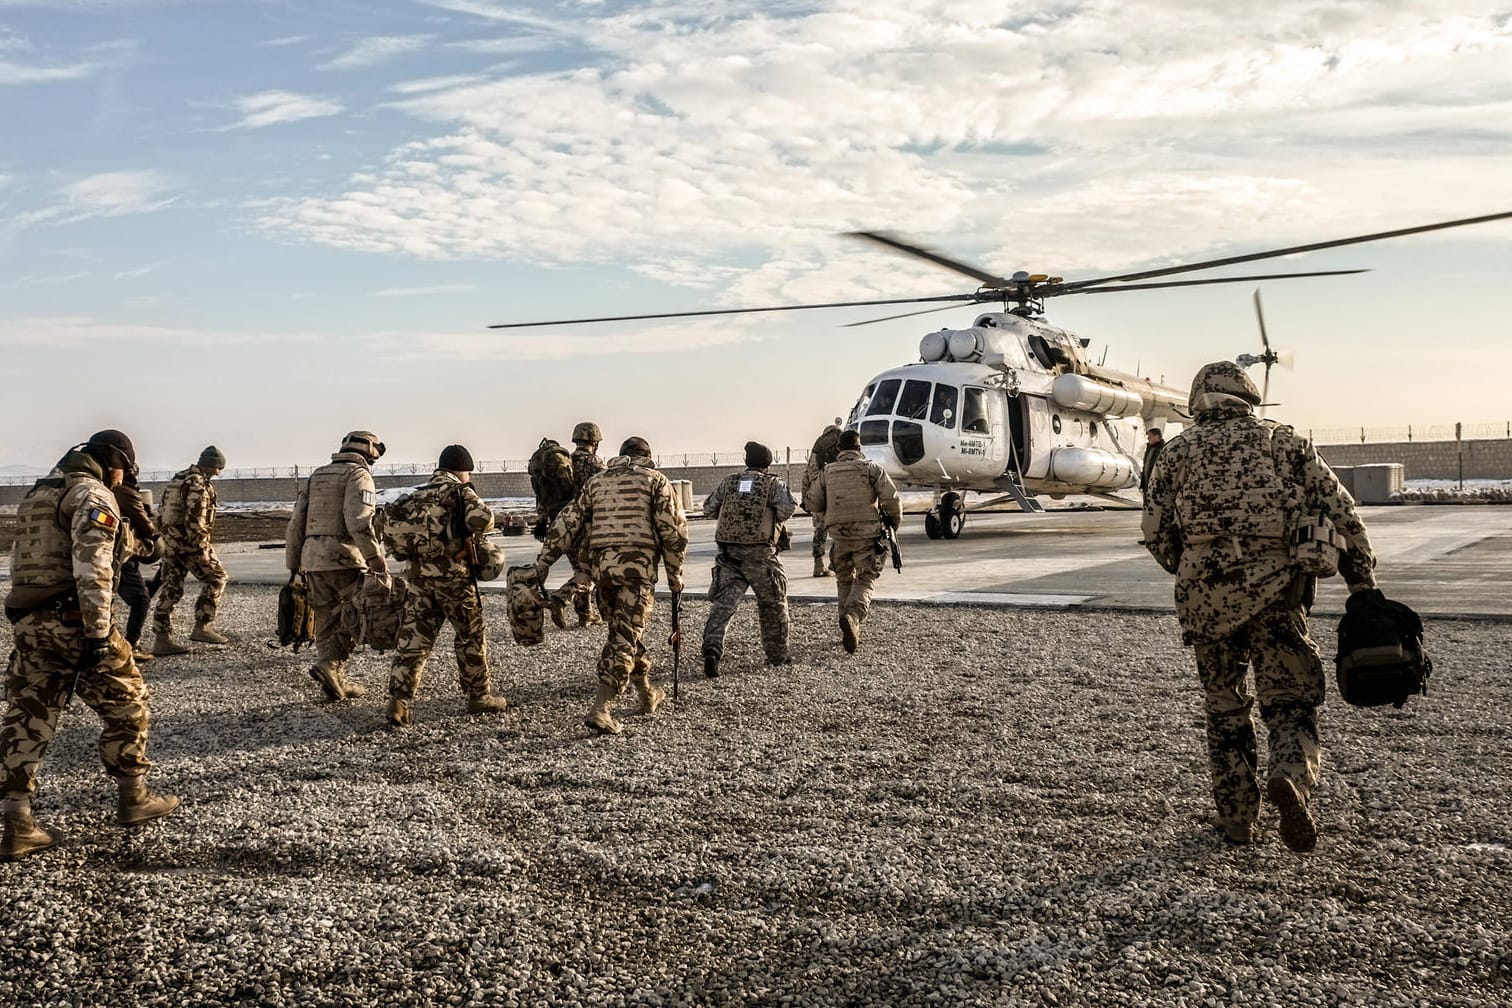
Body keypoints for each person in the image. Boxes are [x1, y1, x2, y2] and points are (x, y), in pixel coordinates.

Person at [1141, 361, 1377, 853]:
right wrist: (1363, 584)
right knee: (1290, 702)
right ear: (1247, 399)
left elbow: (1156, 533)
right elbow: (1341, 511)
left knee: (1225, 708)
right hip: (1278, 595)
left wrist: (1194, 567)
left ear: (1197, 402)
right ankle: (1291, 777)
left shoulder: (1174, 453)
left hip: (1204, 601)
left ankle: (1236, 821)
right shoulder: (1283, 442)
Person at [2, 430, 179, 861]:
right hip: (73, 621)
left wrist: (139, 527)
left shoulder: (39, 494)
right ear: (114, 463)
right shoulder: (92, 495)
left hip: (30, 624)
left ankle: (17, 823)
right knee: (129, 702)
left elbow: (137, 551)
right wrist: (98, 634)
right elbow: (93, 570)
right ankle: (133, 797)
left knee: (28, 717)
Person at [534, 436, 688, 735]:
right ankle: (601, 708)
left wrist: (544, 562)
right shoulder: (656, 480)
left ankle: (647, 694)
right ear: (648, 456)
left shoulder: (597, 482)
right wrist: (675, 572)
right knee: (623, 638)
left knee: (624, 633)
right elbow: (673, 530)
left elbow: (568, 521)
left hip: (603, 573)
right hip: (637, 572)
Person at [386, 445, 509, 728]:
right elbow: (484, 520)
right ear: (462, 469)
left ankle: (399, 700)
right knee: (470, 635)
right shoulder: (459, 492)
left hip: (418, 578)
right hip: (454, 578)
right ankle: (479, 696)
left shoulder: (415, 495)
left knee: (414, 638)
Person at [286, 431, 388, 703]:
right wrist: (375, 557)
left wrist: (294, 563)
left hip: (313, 559)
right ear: (369, 451)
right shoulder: (358, 475)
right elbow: (359, 520)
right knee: (352, 615)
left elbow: (296, 522)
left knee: (324, 617)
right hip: (344, 557)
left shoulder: (316, 475)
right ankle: (331, 666)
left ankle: (335, 679)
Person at [700, 440, 797, 677]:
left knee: (723, 607)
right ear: (768, 464)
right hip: (760, 556)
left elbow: (708, 508)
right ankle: (777, 655)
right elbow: (787, 509)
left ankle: (712, 650)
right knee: (773, 605)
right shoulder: (773, 484)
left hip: (729, 556)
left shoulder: (729, 482)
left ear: (746, 462)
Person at [803, 428, 900, 654]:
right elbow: (892, 499)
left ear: (839, 449)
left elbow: (813, 503)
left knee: (844, 579)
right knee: (866, 577)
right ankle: (853, 616)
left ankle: (845, 624)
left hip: (839, 535)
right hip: (867, 535)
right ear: (859, 448)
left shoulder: (827, 472)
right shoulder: (872, 469)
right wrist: (893, 524)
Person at [150, 445, 229, 654]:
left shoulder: (177, 480)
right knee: (217, 578)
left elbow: (160, 511)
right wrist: (201, 546)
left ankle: (162, 639)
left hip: (170, 543)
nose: (219, 472)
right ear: (213, 466)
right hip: (189, 545)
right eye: (219, 468)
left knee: (171, 589)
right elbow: (195, 518)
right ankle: (202, 626)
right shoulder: (198, 483)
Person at [546, 421, 607, 630]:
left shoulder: (565, 463)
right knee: (589, 571)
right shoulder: (595, 464)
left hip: (564, 525)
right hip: (587, 526)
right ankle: (562, 598)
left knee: (579, 568)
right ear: (595, 441)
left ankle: (586, 615)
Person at [111, 468, 161, 664]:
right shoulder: (124, 492)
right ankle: (131, 646)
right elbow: (143, 522)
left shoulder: (104, 489)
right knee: (141, 600)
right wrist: (153, 533)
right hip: (120, 555)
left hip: (108, 554)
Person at [801, 420, 843, 577]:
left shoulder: (815, 456)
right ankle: (834, 563)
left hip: (818, 500)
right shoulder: (838, 450)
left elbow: (806, 479)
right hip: (835, 498)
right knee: (839, 532)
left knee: (819, 533)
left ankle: (818, 565)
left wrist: (806, 501)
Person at [1140, 427, 1165, 493]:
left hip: (1155, 484)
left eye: (1150, 436)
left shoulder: (1163, 450)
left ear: (1156, 437)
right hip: (1147, 483)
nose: (1148, 438)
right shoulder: (1150, 449)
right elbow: (1146, 466)